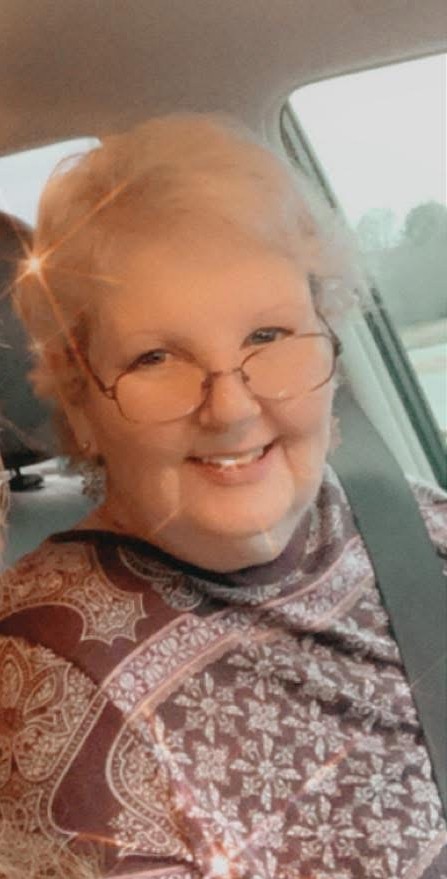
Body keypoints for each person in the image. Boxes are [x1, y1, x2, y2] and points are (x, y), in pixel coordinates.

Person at [0, 114, 445, 879]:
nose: (231, 408)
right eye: (155, 356)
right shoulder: (51, 684)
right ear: (79, 399)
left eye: (267, 336)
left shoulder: (406, 515)